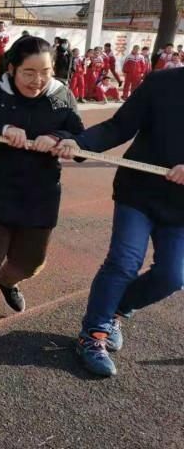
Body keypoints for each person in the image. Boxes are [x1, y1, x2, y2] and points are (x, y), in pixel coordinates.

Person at [52, 67, 184, 377]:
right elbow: (118, 126)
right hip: (139, 192)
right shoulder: (162, 82)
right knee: (124, 262)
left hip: (180, 209)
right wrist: (80, 144)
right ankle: (93, 335)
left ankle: (116, 309)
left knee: (173, 276)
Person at [0, 36, 84, 333]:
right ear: (11, 69)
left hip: (41, 194)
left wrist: (61, 138)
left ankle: (7, 280)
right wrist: (2, 130)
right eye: (29, 73)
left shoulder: (63, 98)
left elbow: (81, 139)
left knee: (32, 262)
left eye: (45, 72)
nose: (37, 81)